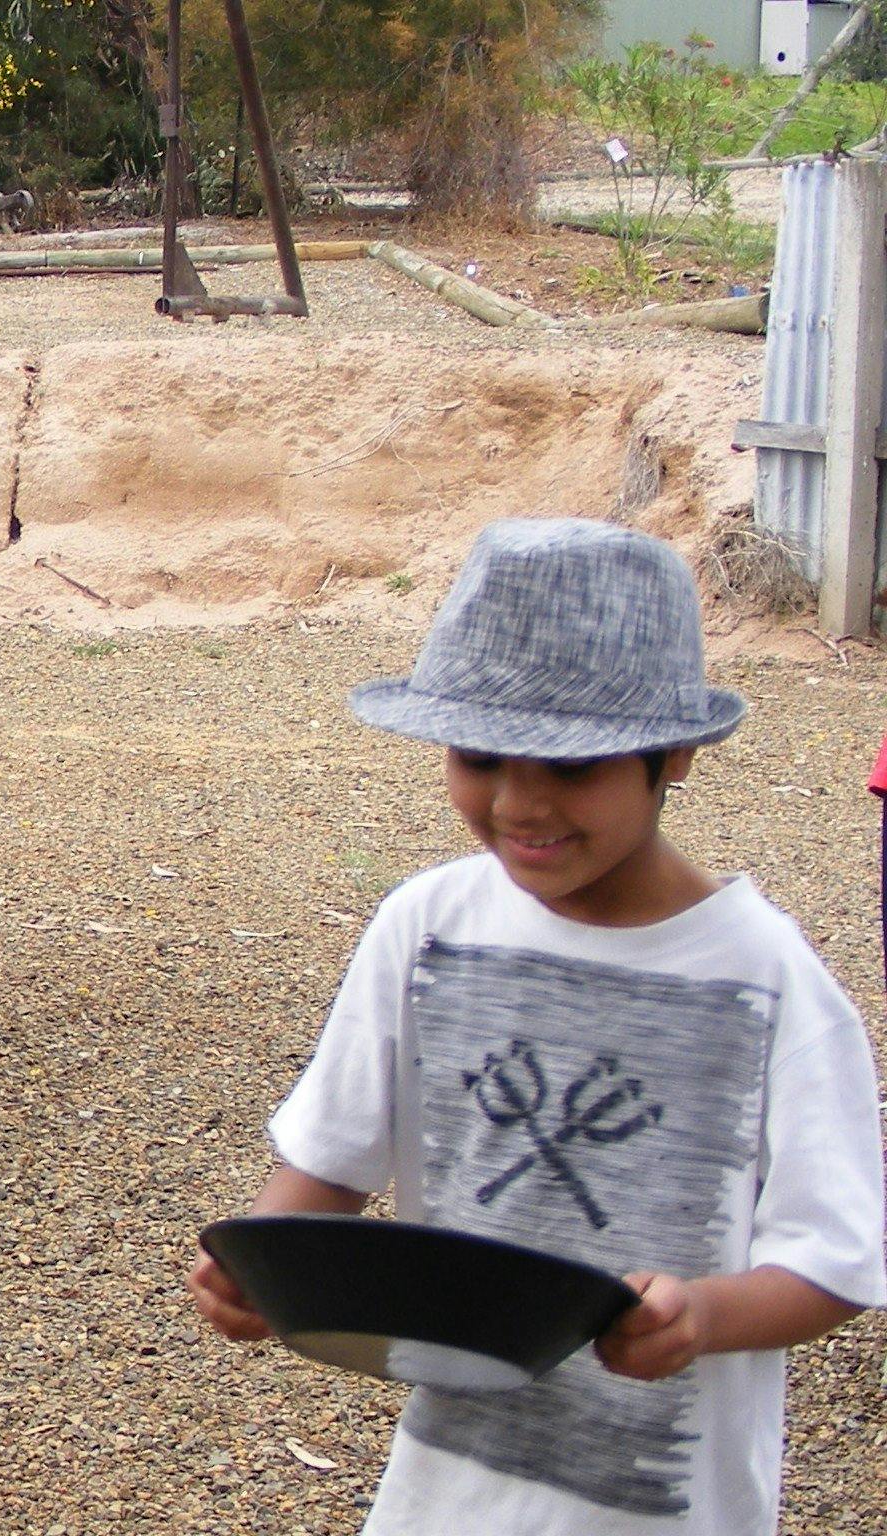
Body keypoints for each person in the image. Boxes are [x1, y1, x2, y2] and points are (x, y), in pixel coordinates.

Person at [186, 519, 886, 1535]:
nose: (518, 802)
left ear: (674, 755)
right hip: (447, 1490)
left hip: (666, 1507)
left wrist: (700, 1316)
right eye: (480, 757)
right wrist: (263, 1269)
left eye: (569, 767)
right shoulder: (426, 927)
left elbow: (832, 1261)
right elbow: (329, 1166)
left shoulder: (765, 978)